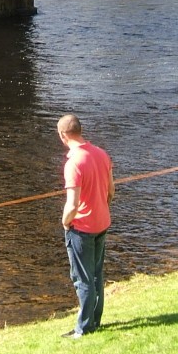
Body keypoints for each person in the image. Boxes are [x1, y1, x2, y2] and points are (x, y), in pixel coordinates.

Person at [56, 114, 114, 338]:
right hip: (102, 223)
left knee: (83, 278)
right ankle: (95, 320)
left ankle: (84, 327)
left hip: (82, 228)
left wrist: (65, 222)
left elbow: (72, 204)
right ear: (80, 130)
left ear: (63, 136)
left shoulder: (73, 164)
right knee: (97, 275)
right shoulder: (101, 153)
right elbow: (111, 191)